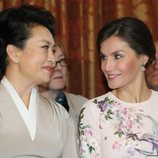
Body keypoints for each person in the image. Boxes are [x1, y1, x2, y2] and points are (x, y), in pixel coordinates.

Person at [0, 4, 78, 158]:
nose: (53, 59)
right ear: (14, 53)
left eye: (53, 50)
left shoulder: (59, 115)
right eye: (44, 47)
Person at [78, 17, 158, 158]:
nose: (107, 67)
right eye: (103, 57)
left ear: (143, 58)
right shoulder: (94, 111)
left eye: (117, 56)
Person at [39, 40, 88, 130]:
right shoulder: (22, 109)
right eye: (50, 62)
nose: (59, 68)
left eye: (61, 60)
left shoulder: (84, 106)